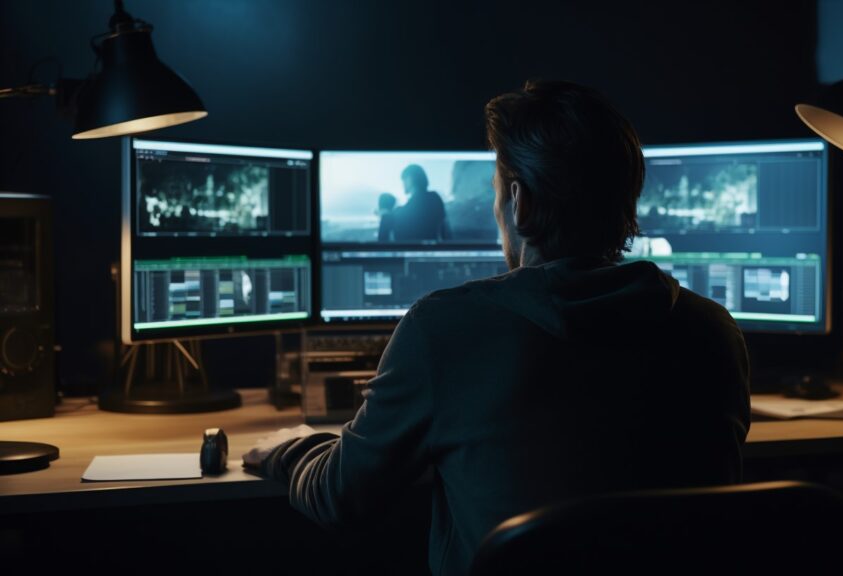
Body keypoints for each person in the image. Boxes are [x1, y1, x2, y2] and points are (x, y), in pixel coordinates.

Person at [244, 80, 751, 576]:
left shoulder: (442, 330)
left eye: (495, 191)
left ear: (519, 201)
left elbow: (342, 498)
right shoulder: (713, 332)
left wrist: (293, 446)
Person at [392, 164, 452, 241]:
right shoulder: (434, 198)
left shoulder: (409, 208)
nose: (403, 184)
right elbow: (445, 229)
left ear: (411, 179)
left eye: (404, 180)